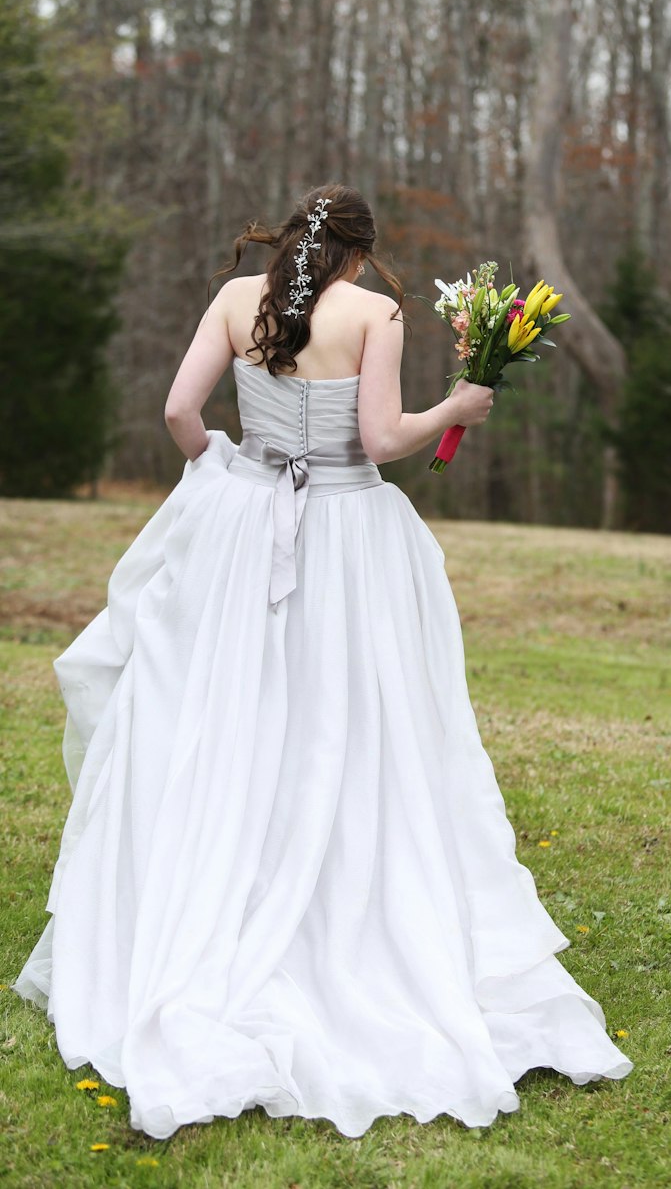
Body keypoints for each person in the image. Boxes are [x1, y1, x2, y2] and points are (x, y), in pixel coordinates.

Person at [13, 183, 634, 1141]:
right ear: (358, 252)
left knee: (230, 710)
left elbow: (181, 412)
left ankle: (220, 890)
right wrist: (456, 404)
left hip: (242, 520)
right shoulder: (377, 313)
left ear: (294, 242)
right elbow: (382, 443)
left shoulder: (233, 298)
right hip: (346, 534)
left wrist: (223, 463)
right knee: (347, 716)